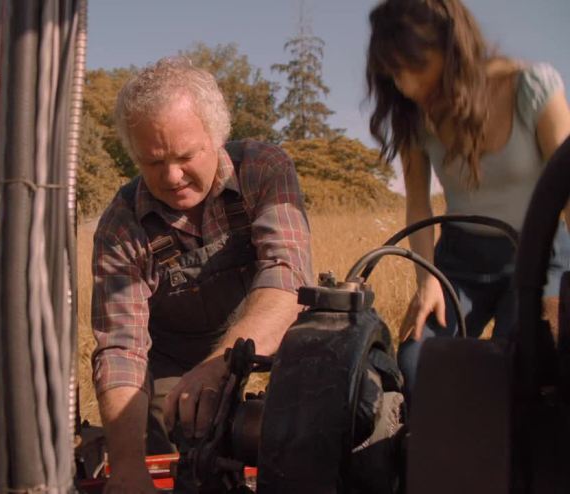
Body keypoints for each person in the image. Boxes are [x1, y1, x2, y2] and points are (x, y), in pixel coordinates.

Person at [90, 56, 313, 492]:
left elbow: (287, 278)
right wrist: (128, 465)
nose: (172, 176)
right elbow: (121, 348)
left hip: (275, 350)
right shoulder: (121, 226)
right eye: (153, 162)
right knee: (171, 440)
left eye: (185, 156)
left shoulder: (263, 170)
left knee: (307, 430)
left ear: (217, 135)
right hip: (177, 365)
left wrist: (219, 367)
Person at [365, 0, 570, 402]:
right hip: (461, 262)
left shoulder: (532, 87)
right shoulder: (413, 116)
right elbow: (419, 204)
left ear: (453, 48)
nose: (407, 86)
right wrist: (426, 283)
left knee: (524, 364)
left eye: (416, 67)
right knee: (417, 362)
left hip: (541, 255)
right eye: (395, 73)